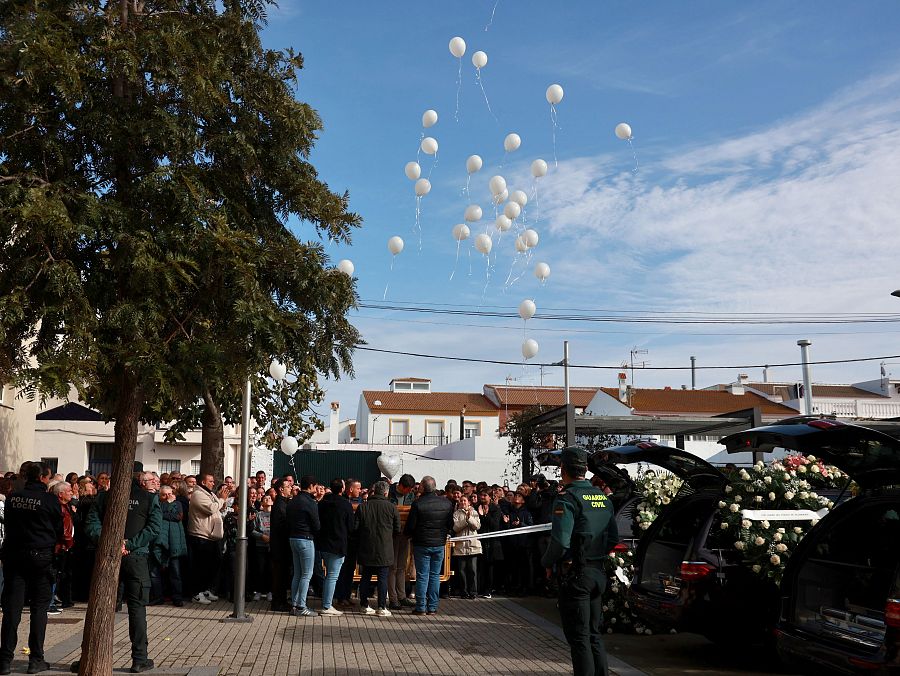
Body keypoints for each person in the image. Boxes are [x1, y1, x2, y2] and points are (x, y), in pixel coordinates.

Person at [542, 447, 618, 676]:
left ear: (563, 469)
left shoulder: (567, 498)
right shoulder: (602, 497)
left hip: (576, 575)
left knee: (579, 638)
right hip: (597, 573)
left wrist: (546, 562)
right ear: (585, 469)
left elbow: (561, 542)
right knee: (593, 634)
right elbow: (613, 538)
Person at [83, 466, 162, 674]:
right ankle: (139, 659)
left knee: (104, 606)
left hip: (110, 557)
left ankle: (89, 655)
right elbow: (154, 528)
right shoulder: (148, 498)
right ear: (139, 478)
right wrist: (129, 545)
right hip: (135, 558)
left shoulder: (104, 497)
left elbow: (92, 525)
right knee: (137, 608)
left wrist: (112, 544)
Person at [0, 461, 61, 675]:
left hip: (14, 556)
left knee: (12, 610)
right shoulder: (50, 499)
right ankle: (36, 659)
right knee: (39, 609)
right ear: (43, 477)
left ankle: (5, 660)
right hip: (41, 558)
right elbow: (58, 528)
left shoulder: (13, 498)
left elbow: (9, 524)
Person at [404, 475, 453, 616]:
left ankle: (420, 607)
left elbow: (410, 526)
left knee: (422, 576)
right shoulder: (446, 503)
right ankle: (432, 607)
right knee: (435, 576)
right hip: (438, 543)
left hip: (421, 544)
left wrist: (407, 534)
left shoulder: (418, 504)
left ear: (423, 487)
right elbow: (450, 525)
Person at [355, 481, 400, 617]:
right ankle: (381, 606)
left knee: (365, 577)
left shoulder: (363, 507)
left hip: (366, 547)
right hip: (384, 549)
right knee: (382, 578)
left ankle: (364, 604)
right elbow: (397, 529)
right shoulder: (392, 507)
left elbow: (356, 527)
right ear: (386, 493)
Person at [315, 479, 353, 616]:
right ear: (342, 489)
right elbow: (350, 526)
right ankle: (327, 605)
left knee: (328, 575)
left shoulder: (322, 503)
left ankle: (327, 603)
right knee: (332, 576)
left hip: (323, 543)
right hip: (338, 544)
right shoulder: (345, 504)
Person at [186, 473, 224, 604]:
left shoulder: (210, 494)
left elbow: (219, 506)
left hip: (211, 536)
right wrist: (222, 499)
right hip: (200, 535)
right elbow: (211, 508)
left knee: (211, 565)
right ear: (203, 482)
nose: (213, 483)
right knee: (200, 566)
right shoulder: (198, 495)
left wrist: (221, 499)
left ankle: (205, 589)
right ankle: (196, 593)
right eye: (211, 481)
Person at [286, 475, 320, 617]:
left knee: (298, 573)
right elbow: (316, 524)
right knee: (307, 574)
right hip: (305, 538)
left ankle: (294, 604)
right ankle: (301, 606)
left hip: (293, 538)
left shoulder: (293, 501)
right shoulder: (310, 502)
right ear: (311, 486)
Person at [151, 485, 187, 607]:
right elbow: (158, 514)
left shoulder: (178, 504)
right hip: (160, 541)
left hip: (174, 542)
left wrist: (168, 508)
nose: (167, 497)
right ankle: (158, 596)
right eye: (164, 495)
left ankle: (177, 597)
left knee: (175, 572)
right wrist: (168, 505)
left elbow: (178, 517)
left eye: (170, 494)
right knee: (156, 572)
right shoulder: (157, 503)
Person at [387, 473, 415, 610]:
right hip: (391, 534)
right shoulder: (389, 493)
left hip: (405, 534)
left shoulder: (411, 496)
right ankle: (393, 598)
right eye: (408, 489)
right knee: (392, 566)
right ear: (401, 486)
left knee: (402, 566)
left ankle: (402, 596)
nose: (410, 492)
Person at [268, 478, 293, 612]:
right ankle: (278, 603)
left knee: (283, 576)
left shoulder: (284, 503)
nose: (290, 488)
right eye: (288, 486)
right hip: (280, 547)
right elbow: (281, 526)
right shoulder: (279, 505)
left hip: (282, 547)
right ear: (281, 489)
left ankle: (281, 601)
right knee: (279, 576)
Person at [450, 495, 481, 599]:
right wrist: (466, 520)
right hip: (460, 547)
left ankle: (473, 592)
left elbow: (477, 526)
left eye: (465, 501)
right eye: (461, 501)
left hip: (473, 546)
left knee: (472, 571)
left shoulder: (474, 512)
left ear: (469, 502)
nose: (463, 502)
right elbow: (456, 527)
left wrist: (470, 517)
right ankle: (464, 591)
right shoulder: (456, 514)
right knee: (461, 571)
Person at [476, 489, 502, 598]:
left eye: (485, 495)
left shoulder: (495, 509)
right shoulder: (477, 507)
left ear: (490, 497)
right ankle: (480, 588)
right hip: (480, 541)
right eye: (481, 495)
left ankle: (489, 589)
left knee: (490, 567)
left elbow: (495, 525)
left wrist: (485, 516)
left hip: (492, 542)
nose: (482, 497)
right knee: (481, 566)